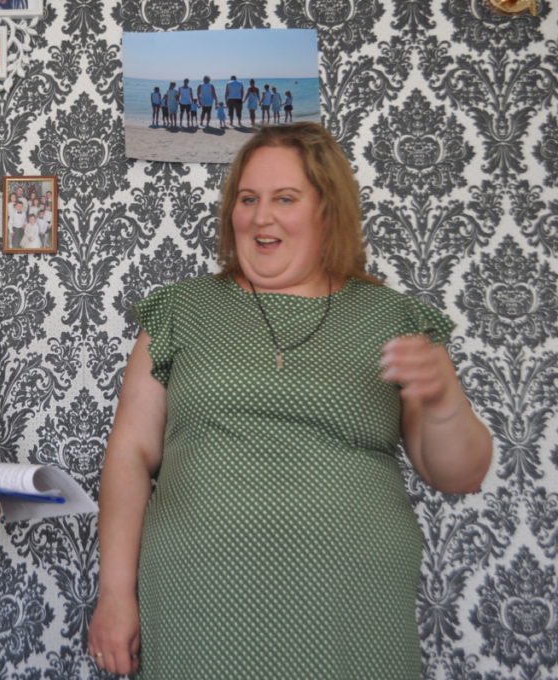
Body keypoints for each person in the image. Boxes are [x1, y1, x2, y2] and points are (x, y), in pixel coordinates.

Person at [87, 122, 492, 679]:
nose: (261, 217)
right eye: (247, 199)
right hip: (197, 598)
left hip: (353, 604)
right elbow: (130, 454)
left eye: (284, 198)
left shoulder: (394, 319)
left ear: (328, 210)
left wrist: (445, 403)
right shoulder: (180, 309)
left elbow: (461, 475)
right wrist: (115, 593)